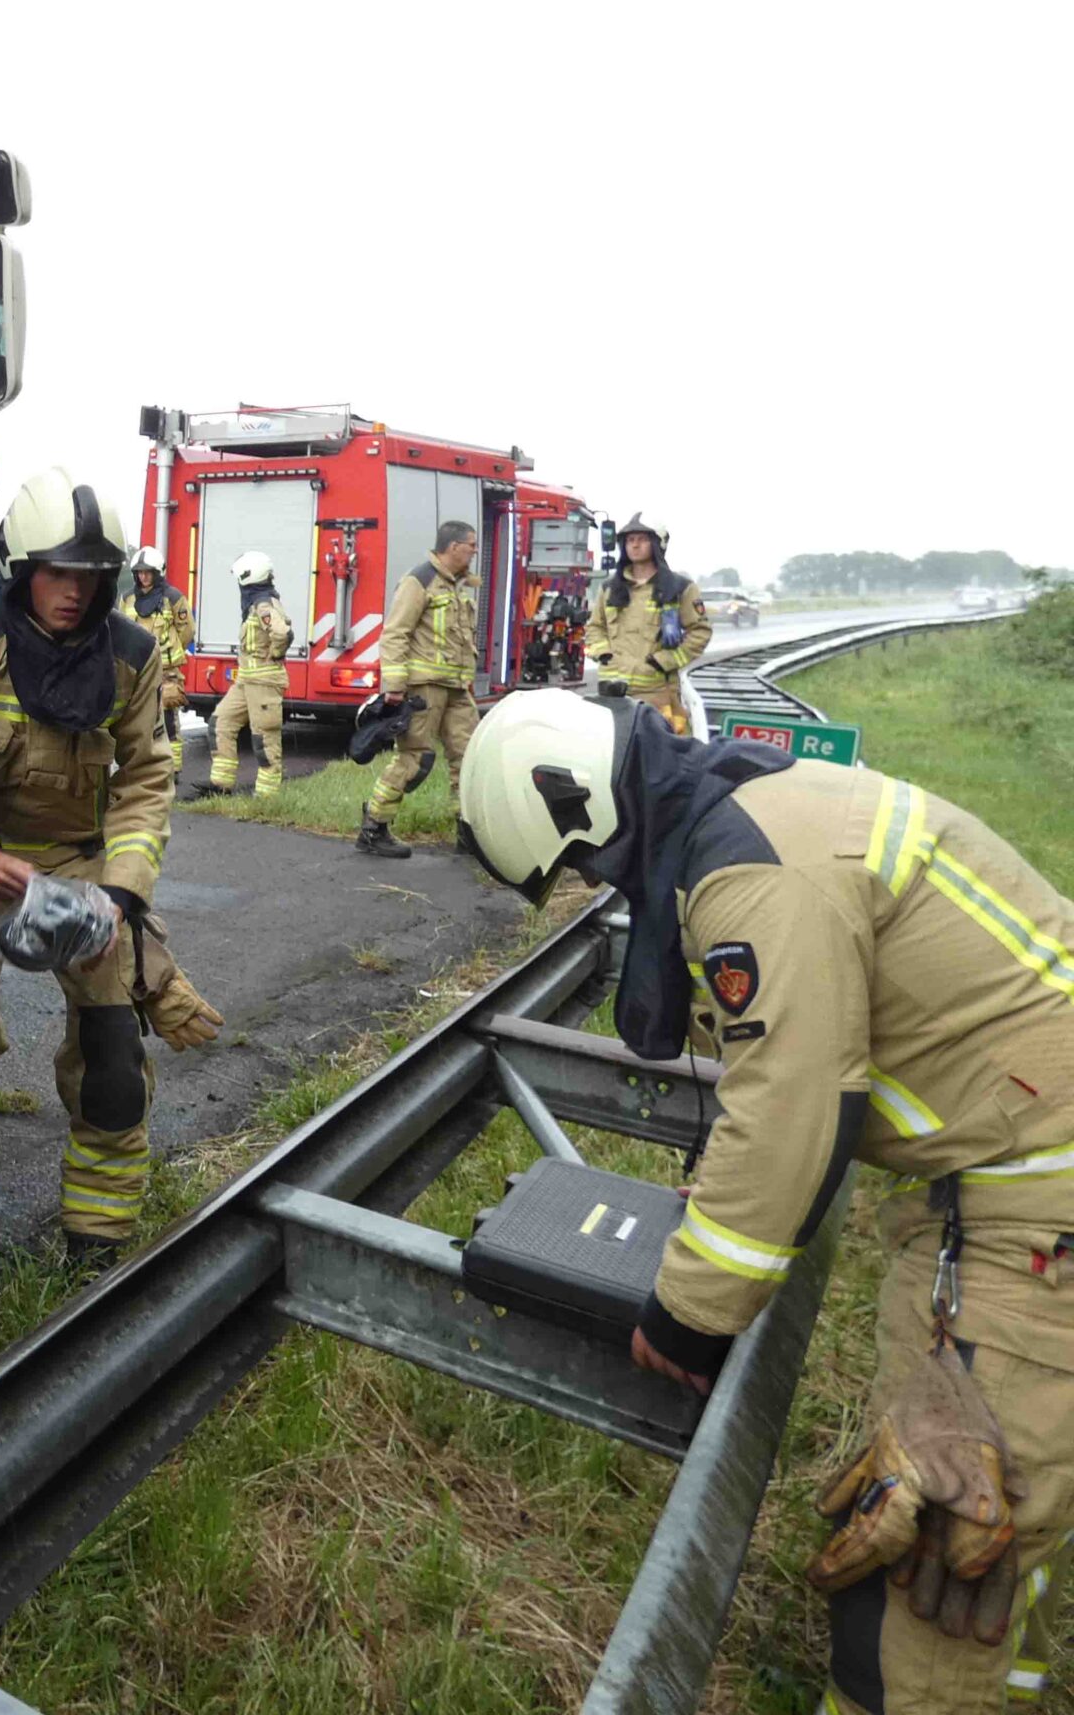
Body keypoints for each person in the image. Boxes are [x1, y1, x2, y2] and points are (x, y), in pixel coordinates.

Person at [457, 689, 1074, 1714]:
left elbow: (796, 1103)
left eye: (585, 869)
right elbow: (800, 1063)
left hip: (1035, 1217)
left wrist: (686, 1314)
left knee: (929, 1571)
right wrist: (728, 1196)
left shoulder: (749, 870)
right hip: (1018, 1171)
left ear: (576, 811)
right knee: (1002, 1573)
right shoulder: (759, 803)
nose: (599, 887)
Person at [0, 468, 216, 1268]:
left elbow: (145, 780)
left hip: (83, 864)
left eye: (92, 575)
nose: (75, 591)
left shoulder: (131, 655)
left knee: (113, 1057)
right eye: (58, 572)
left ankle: (98, 1236)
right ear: (23, 569)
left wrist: (121, 895)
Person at [357, 519, 482, 860]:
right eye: (471, 545)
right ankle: (373, 828)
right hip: (425, 689)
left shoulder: (456, 585)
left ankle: (468, 831)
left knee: (470, 759)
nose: (474, 551)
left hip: (456, 688)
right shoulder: (419, 580)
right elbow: (395, 634)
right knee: (414, 758)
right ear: (453, 547)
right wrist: (395, 686)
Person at [589, 514, 710, 734]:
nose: (634, 545)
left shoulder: (679, 588)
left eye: (642, 539)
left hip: (657, 695)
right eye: (629, 540)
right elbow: (595, 627)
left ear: (657, 544)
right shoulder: (609, 588)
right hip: (612, 694)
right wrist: (604, 654)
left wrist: (664, 661)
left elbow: (700, 633)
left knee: (663, 750)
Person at [208, 550, 294, 800]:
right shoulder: (255, 604)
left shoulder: (263, 605)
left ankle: (267, 796)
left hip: (264, 682)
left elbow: (283, 634)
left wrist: (274, 654)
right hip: (246, 680)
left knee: (264, 737)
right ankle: (220, 785)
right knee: (220, 723)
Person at [120, 546, 194, 785]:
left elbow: (186, 631)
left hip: (166, 671)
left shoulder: (173, 598)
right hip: (136, 671)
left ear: (157, 572)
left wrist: (170, 654)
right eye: (139, 572)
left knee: (169, 719)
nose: (143, 577)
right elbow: (121, 629)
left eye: (148, 572)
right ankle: (141, 767)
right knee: (137, 719)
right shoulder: (127, 598)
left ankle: (173, 769)